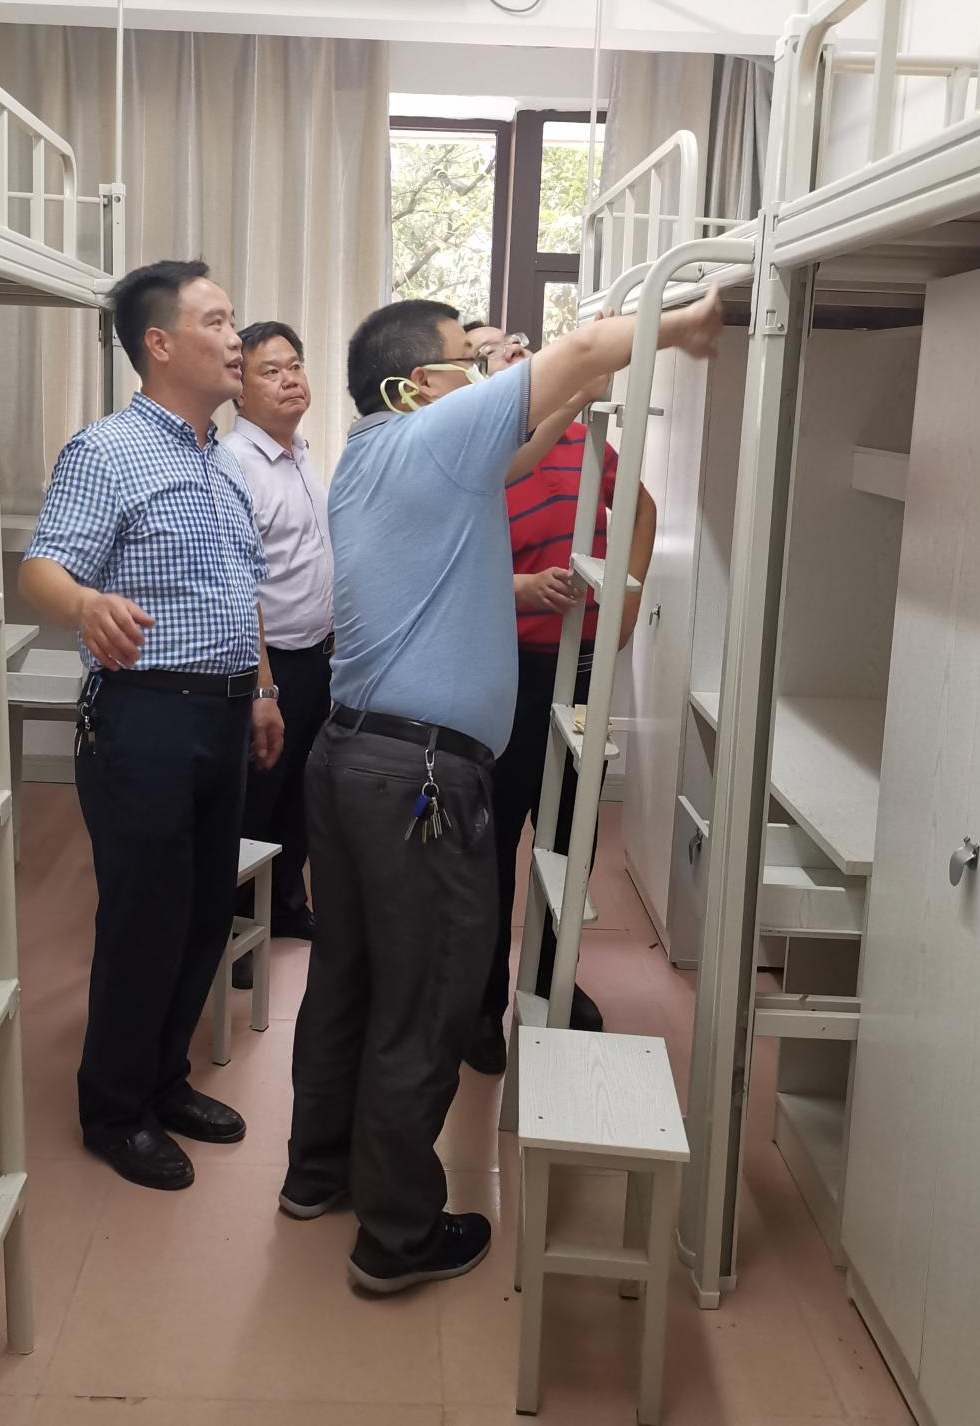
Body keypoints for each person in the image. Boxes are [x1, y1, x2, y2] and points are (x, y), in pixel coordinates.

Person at [281, 288, 721, 1294]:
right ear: (415, 386)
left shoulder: (376, 455)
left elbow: (523, 446)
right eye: (464, 361)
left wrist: (573, 400)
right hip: (418, 780)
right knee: (427, 996)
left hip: (351, 759)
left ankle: (317, 1173)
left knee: (347, 978)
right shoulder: (431, 438)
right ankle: (395, 1236)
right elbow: (578, 347)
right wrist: (678, 323)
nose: (482, 375)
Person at [20, 259, 285, 1191]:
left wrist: (262, 688)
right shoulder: (107, 451)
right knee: (145, 918)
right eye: (218, 322)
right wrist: (85, 603)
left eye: (235, 320)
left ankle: (164, 1079)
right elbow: (42, 568)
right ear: (160, 343)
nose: (237, 340)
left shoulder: (222, 460)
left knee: (205, 911)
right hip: (144, 720)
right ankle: (113, 1108)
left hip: (223, 714)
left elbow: (242, 590)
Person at [459, 322, 658, 1076]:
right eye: (495, 351)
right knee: (491, 841)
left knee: (570, 837)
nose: (517, 352)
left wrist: (625, 608)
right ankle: (480, 1004)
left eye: (522, 344)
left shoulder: (585, 441)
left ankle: (550, 983)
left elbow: (640, 512)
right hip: (502, 670)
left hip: (579, 672)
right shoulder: (480, 450)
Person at [221, 321, 333, 986]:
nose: (290, 380)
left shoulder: (300, 454)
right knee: (255, 799)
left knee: (300, 794)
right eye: (271, 371)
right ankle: (236, 929)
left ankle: (287, 906)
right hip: (270, 664)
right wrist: (264, 687)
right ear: (239, 388)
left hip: (316, 656)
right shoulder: (236, 463)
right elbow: (243, 587)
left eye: (295, 366)